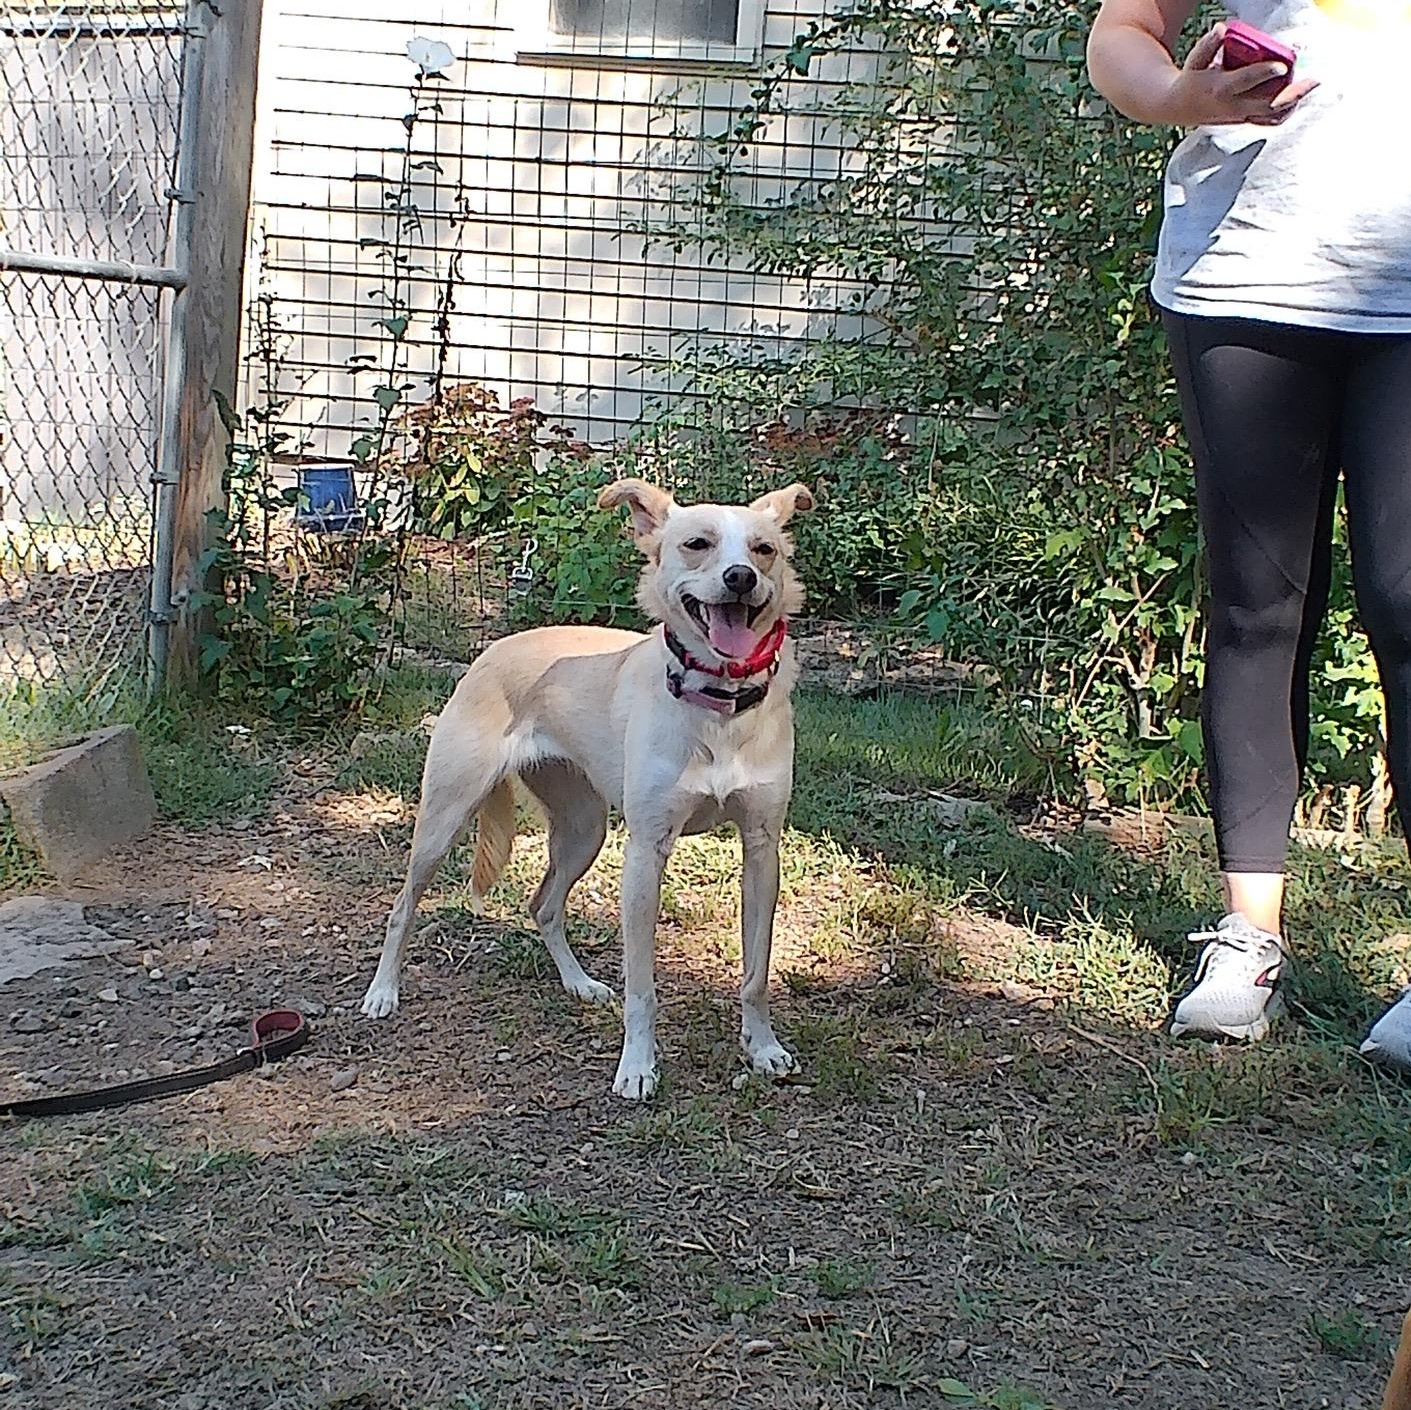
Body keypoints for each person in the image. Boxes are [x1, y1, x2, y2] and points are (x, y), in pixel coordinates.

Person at [1086, 0, 1411, 1068]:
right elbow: (1123, 29)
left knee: (1407, 606)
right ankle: (1249, 938)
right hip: (1249, 278)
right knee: (1255, 605)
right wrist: (1182, 95)